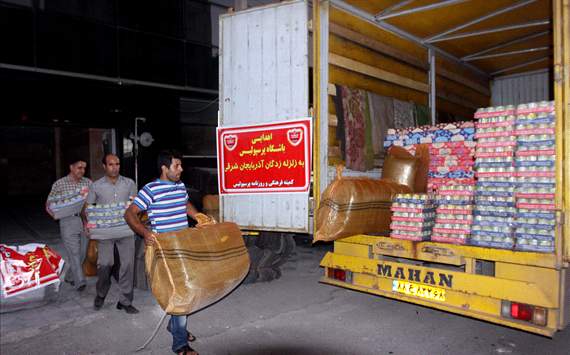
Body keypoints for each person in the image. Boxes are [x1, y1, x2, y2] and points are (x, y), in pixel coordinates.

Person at [124, 150, 206, 355]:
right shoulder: (150, 189)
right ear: (164, 168)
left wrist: (198, 216)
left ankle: (175, 326)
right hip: (165, 250)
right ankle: (180, 344)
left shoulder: (179, 186)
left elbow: (185, 203)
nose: (181, 169)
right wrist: (144, 232)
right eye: (176, 166)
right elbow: (130, 213)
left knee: (186, 290)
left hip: (183, 246)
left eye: (180, 165)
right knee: (180, 294)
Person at [82, 153, 139, 313]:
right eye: (111, 164)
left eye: (117, 164)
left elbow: (135, 207)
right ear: (104, 166)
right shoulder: (96, 186)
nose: (115, 167)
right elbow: (88, 207)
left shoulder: (129, 183)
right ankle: (101, 293)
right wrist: (87, 223)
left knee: (127, 265)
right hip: (105, 233)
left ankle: (125, 301)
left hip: (126, 230)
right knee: (105, 264)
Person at [46, 157, 91, 291]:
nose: (82, 171)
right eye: (79, 167)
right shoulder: (59, 184)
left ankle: (70, 277)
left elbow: (94, 202)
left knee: (82, 253)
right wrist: (57, 215)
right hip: (67, 221)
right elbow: (49, 204)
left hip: (84, 220)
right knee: (74, 253)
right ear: (71, 167)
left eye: (84, 168)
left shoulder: (88, 183)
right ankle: (80, 282)